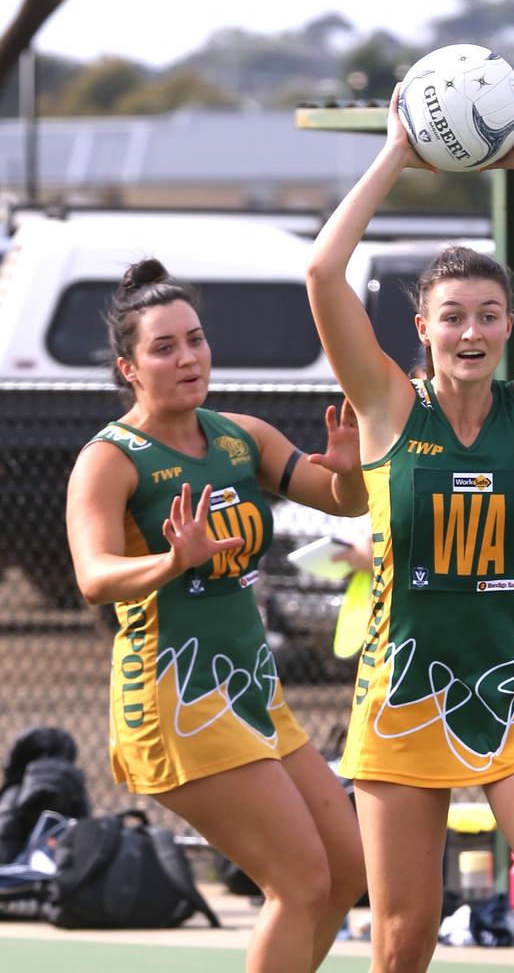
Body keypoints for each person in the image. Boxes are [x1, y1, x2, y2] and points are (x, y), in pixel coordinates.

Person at [305, 84, 514, 973]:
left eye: (488, 315)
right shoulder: (384, 407)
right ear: (421, 328)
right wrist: (393, 154)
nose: (471, 330)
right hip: (401, 694)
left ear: (508, 326)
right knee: (403, 940)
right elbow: (321, 274)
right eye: (451, 316)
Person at [65, 258, 368, 973]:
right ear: (129, 368)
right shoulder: (110, 461)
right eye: (163, 347)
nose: (187, 357)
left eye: (195, 340)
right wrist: (172, 562)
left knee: (346, 870)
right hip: (176, 703)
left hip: (252, 697)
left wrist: (350, 467)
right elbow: (93, 577)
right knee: (299, 883)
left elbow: (345, 502)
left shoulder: (241, 437)